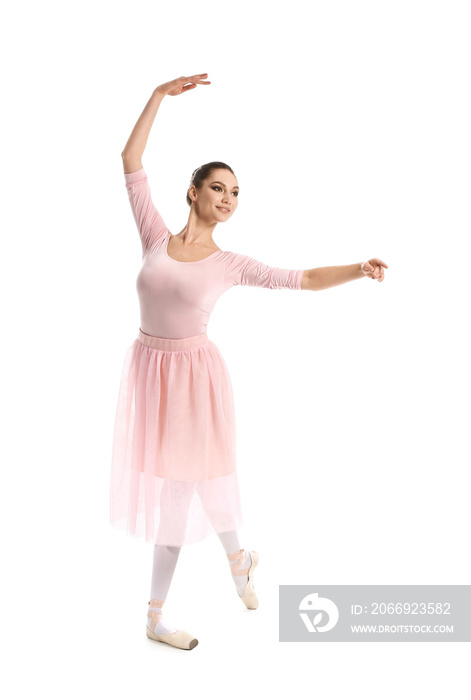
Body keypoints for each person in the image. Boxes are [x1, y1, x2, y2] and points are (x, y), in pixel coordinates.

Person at [109, 73, 388, 651]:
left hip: (195, 381)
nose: (228, 200)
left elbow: (302, 279)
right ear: (194, 192)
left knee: (183, 492)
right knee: (199, 487)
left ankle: (156, 616)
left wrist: (358, 268)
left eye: (236, 193)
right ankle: (240, 561)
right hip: (150, 374)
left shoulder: (230, 263)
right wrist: (159, 95)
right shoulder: (154, 237)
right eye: (218, 188)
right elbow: (131, 158)